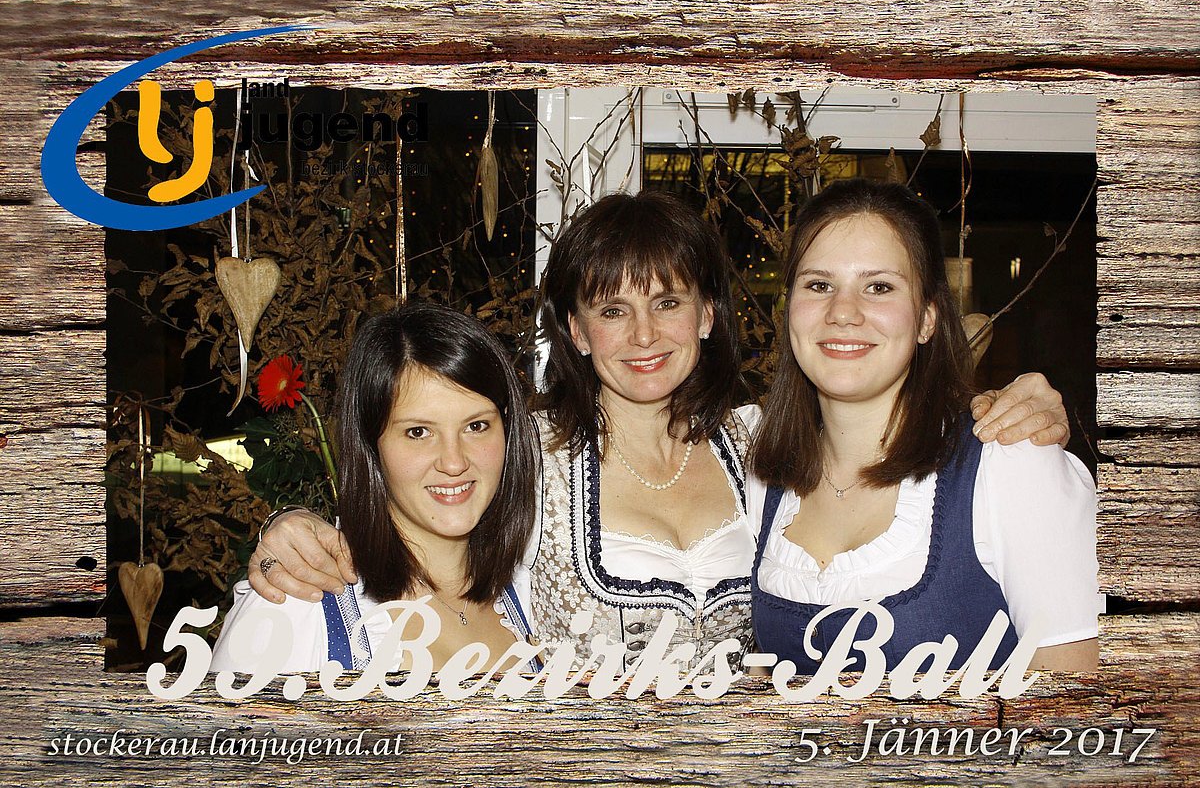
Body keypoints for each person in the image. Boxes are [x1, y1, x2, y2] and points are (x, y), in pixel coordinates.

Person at [247, 191, 1072, 669]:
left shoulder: (763, 444)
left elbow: (886, 443)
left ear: (708, 314)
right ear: (576, 331)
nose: (643, 334)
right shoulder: (524, 452)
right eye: (612, 309)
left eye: (668, 301)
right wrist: (294, 530)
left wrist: (1008, 402)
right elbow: (412, 498)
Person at [747, 178, 1100, 673]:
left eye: (879, 287)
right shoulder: (762, 476)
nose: (842, 312)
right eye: (819, 285)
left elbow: (1078, 700)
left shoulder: (1011, 463)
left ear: (927, 319)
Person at [212, 303, 540, 673]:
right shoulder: (297, 602)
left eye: (476, 426)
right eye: (418, 432)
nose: (454, 462)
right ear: (371, 444)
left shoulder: (525, 593)